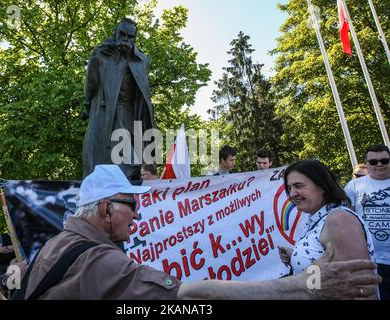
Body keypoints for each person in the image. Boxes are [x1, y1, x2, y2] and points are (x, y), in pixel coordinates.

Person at [22, 164, 380, 300]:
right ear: (106, 209)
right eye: (132, 205)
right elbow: (185, 296)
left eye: (299, 187)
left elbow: (360, 284)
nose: (138, 213)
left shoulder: (56, 243)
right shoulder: (100, 260)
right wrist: (304, 284)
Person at [277, 160, 377, 299]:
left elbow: (360, 287)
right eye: (289, 188)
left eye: (298, 186)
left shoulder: (339, 219)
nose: (292, 193)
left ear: (321, 186)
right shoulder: (319, 218)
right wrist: (296, 256)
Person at [82, 18, 155, 181]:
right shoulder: (101, 55)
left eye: (131, 36)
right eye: (122, 35)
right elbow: (90, 84)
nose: (126, 40)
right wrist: (87, 106)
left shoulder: (142, 60)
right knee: (107, 157)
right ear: (115, 35)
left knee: (133, 158)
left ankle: (128, 190)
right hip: (106, 112)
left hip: (132, 113)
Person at [345, 144, 390, 299]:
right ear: (366, 163)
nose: (379, 164)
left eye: (384, 161)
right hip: (372, 259)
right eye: (373, 161)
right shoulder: (354, 186)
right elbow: (346, 218)